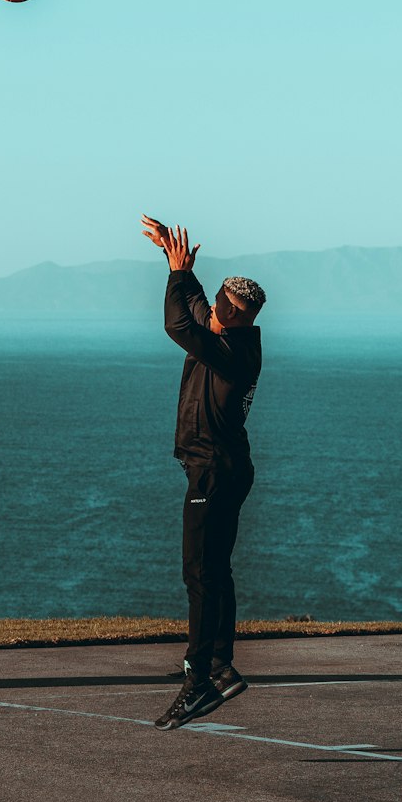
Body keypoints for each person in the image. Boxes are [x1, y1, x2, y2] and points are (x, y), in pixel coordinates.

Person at [141, 217, 266, 731]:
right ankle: (219, 665)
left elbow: (178, 325)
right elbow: (192, 312)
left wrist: (177, 276)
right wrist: (180, 270)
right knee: (215, 571)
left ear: (229, 316)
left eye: (216, 306)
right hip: (223, 471)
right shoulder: (222, 331)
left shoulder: (231, 351)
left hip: (214, 474)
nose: (210, 310)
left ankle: (198, 684)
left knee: (199, 573)